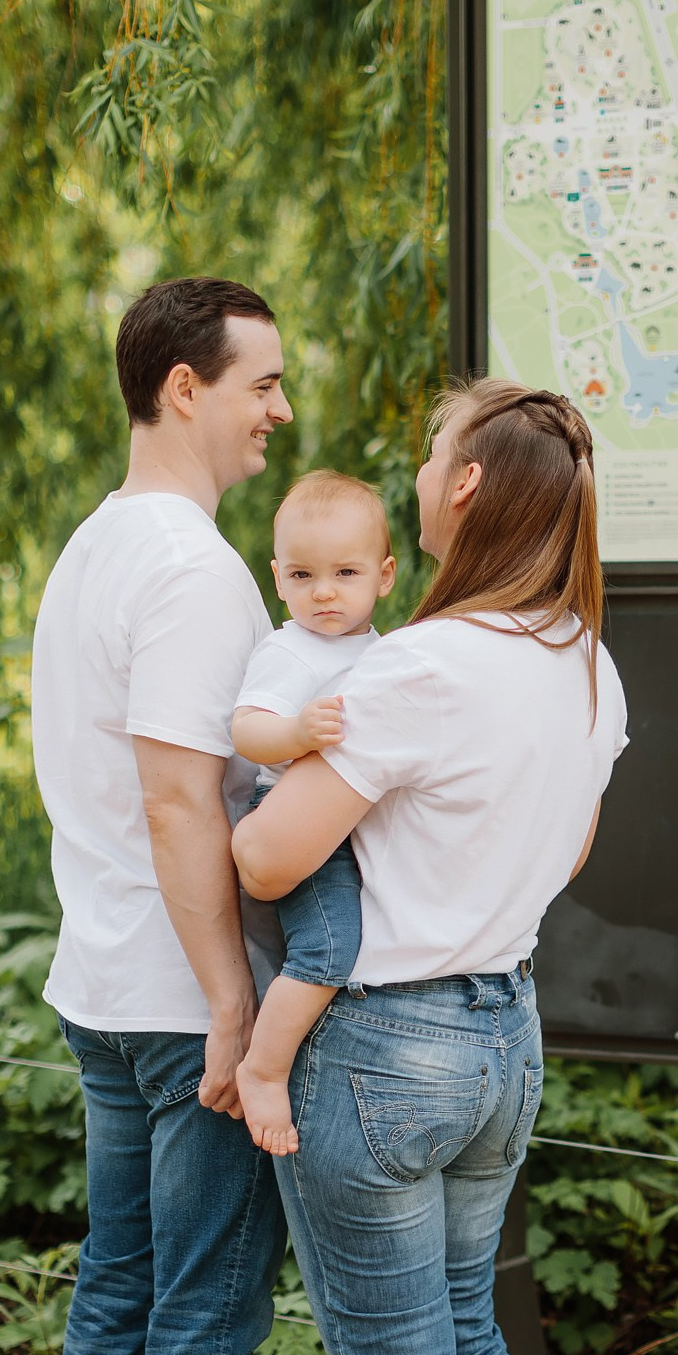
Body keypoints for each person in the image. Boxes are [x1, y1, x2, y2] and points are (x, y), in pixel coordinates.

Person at [232, 378, 628, 1355]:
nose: (417, 467)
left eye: (430, 450)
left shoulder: (422, 666)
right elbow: (563, 857)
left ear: (463, 485)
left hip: (378, 1051)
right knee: (470, 1351)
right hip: (502, 1039)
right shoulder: (587, 665)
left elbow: (267, 858)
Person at [29, 275, 293, 1355]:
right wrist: (235, 1004)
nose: (279, 412)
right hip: (187, 1001)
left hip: (104, 981)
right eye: (262, 382)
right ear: (185, 386)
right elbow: (182, 797)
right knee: (201, 1315)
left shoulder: (93, 544)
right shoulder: (194, 568)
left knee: (120, 1298)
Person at [229, 470, 398, 1156]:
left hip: (351, 824)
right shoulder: (289, 650)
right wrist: (296, 732)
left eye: (345, 572)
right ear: (277, 577)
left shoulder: (378, 647)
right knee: (328, 946)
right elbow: (246, 730)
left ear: (384, 575)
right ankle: (264, 1069)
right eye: (302, 574)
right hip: (299, 823)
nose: (323, 591)